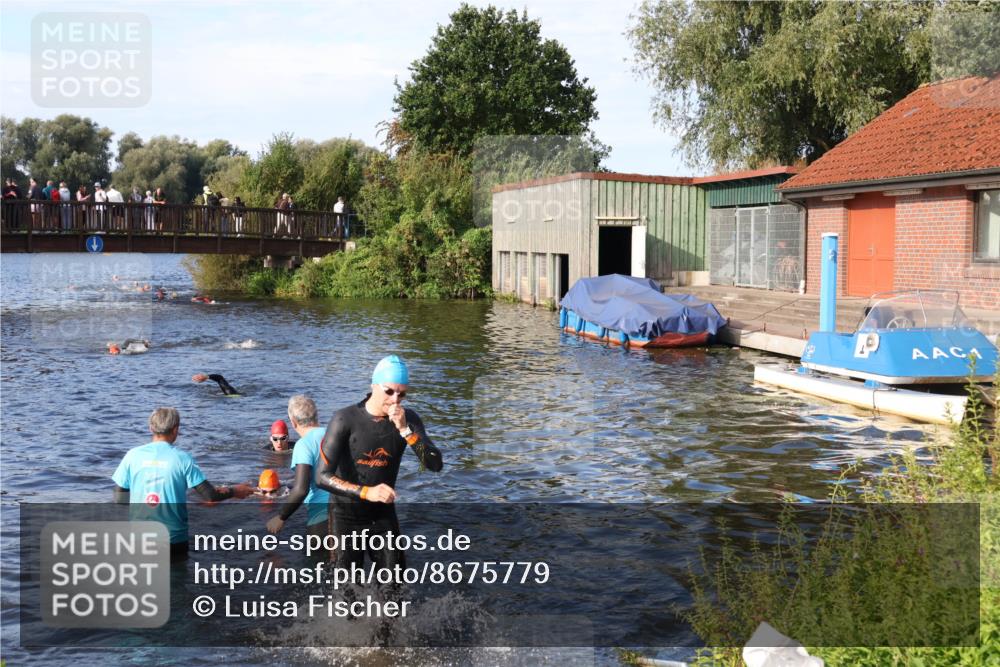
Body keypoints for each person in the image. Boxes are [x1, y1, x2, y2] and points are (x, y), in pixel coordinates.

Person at [316, 355, 443, 574]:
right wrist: (366, 492)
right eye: (389, 391)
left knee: (394, 589)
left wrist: (405, 431)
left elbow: (434, 464)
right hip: (345, 514)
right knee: (346, 591)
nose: (395, 400)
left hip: (382, 515)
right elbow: (321, 476)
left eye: (402, 394)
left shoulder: (408, 420)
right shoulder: (345, 419)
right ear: (374, 385)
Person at [112, 408, 253, 561]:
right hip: (173, 540)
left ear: (151, 428)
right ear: (175, 430)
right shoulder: (182, 458)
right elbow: (210, 495)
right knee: (176, 582)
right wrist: (235, 491)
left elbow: (120, 499)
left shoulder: (132, 455)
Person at [267, 395, 330, 540]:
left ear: (293, 422)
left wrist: (281, 517)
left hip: (322, 517)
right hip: (351, 512)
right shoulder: (335, 434)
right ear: (316, 415)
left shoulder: (303, 445)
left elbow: (301, 489)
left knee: (316, 562)